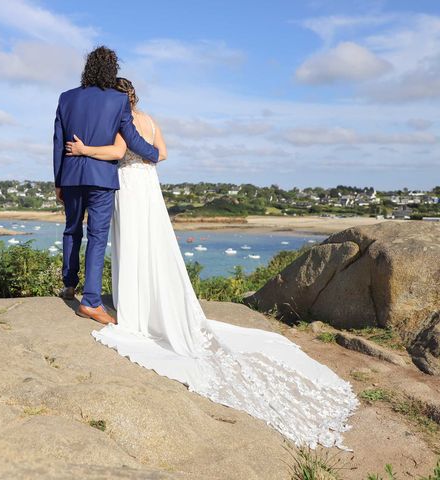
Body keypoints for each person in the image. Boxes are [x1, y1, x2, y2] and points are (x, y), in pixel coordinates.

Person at [64, 77, 360, 450]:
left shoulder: (122, 121)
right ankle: (148, 300)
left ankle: (134, 307)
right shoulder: (151, 119)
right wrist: (144, 158)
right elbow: (163, 154)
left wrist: (86, 149)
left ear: (120, 100)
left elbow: (118, 152)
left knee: (130, 244)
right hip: (149, 187)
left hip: (127, 184)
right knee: (153, 244)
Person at [53, 47, 158, 325]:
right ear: (112, 70)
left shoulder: (66, 98)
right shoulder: (118, 100)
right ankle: (90, 302)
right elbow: (131, 139)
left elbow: (57, 142)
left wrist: (58, 181)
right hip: (102, 178)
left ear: (87, 68)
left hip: (71, 176)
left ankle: (68, 285)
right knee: (97, 237)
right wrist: (154, 154)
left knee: (72, 229)